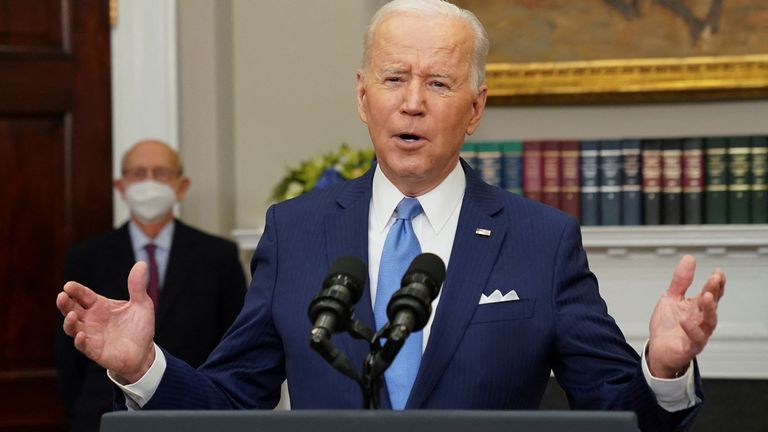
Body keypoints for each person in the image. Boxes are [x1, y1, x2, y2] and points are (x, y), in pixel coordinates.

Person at [56, 2, 725, 431]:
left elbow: (619, 415)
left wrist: (662, 370)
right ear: (362, 95)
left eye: (438, 83)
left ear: (475, 108)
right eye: (393, 79)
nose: (412, 103)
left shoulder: (540, 241)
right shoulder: (297, 230)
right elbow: (233, 402)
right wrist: (144, 366)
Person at [54, 139, 247, 432]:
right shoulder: (87, 257)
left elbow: (236, 344)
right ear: (121, 187)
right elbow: (69, 356)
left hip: (195, 414)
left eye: (160, 173)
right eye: (138, 174)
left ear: (181, 186)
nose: (149, 182)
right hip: (103, 416)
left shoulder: (218, 256)